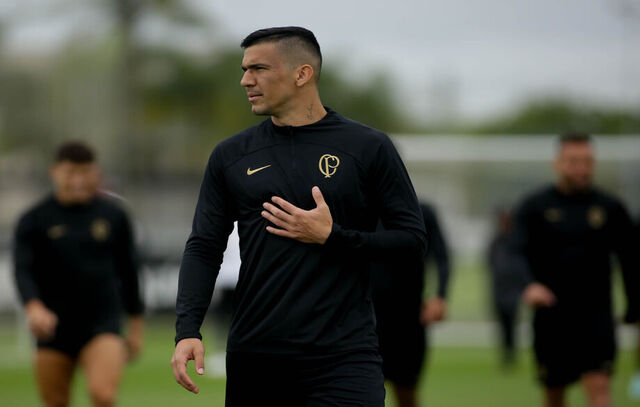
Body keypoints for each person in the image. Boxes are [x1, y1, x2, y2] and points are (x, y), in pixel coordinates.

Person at [170, 26, 427, 406]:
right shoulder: (231, 155)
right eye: (244, 70)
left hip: (344, 355)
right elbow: (204, 246)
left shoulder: (368, 147)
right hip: (257, 356)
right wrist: (187, 329)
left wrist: (332, 236)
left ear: (302, 74)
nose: (245, 80)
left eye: (258, 69)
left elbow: (412, 242)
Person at [13, 141, 145, 407]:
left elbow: (129, 271)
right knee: (55, 401)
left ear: (96, 173)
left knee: (103, 394)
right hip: (53, 328)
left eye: (85, 172)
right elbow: (23, 269)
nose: (78, 180)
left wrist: (136, 325)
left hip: (102, 323)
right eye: (71, 172)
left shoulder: (114, 216)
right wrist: (34, 307)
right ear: (55, 172)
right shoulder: (34, 219)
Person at [511, 132, 639, 407]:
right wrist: (528, 285)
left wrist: (634, 306)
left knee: (600, 387)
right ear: (557, 163)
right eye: (573, 161)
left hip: (596, 315)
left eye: (587, 161)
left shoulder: (610, 207)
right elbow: (514, 252)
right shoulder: (534, 206)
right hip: (551, 314)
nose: (581, 168)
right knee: (554, 393)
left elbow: (630, 259)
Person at [371, 201, 450, 407]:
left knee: (407, 392)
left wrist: (439, 296)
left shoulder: (421, 211)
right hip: (364, 318)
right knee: (361, 394)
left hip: (409, 317)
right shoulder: (356, 205)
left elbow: (441, 256)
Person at [486, 208, 528, 368]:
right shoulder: (495, 241)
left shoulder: (515, 241)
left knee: (511, 321)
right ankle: (506, 352)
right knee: (502, 321)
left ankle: (511, 353)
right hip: (498, 288)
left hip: (513, 289)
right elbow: (490, 261)